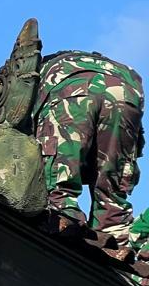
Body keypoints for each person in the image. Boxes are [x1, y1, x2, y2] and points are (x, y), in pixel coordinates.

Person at [32, 50, 144, 247]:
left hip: (72, 83)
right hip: (127, 92)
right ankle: (114, 232)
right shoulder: (112, 67)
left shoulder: (41, 71)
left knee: (60, 174)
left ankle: (62, 211)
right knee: (113, 184)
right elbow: (134, 147)